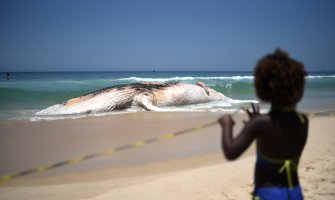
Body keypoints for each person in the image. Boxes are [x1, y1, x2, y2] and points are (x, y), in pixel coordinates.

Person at [218, 48, 308, 200]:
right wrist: (258, 124)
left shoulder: (260, 124)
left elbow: (231, 152)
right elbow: (280, 143)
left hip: (268, 194)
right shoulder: (303, 120)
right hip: (294, 192)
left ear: (263, 87)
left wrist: (227, 125)